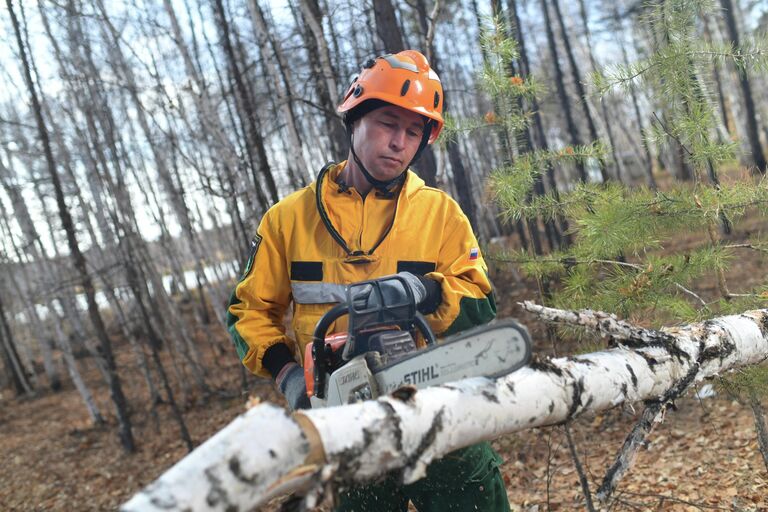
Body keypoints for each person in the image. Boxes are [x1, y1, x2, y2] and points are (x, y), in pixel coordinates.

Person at [227, 49, 510, 511]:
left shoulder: (439, 213)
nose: (398, 142)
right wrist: (291, 375)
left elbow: (479, 296)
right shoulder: (287, 220)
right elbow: (248, 313)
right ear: (354, 118)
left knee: (475, 494)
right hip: (343, 417)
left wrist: (426, 290)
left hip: (433, 404)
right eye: (386, 123)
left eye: (413, 131)